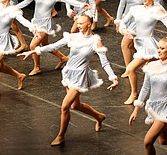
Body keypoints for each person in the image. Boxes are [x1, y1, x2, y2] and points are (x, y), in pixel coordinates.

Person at [17, 13, 118, 146]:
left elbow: (104, 62)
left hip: (81, 76)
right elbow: (54, 46)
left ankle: (60, 136)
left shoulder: (95, 41)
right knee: (75, 105)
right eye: (77, 23)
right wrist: (33, 51)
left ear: (89, 24)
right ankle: (99, 117)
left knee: (65, 106)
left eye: (81, 23)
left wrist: (113, 77)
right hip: (69, 73)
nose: (78, 25)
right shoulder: (72, 37)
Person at [17, 0, 90, 76]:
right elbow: (26, 2)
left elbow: (67, 0)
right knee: (45, 44)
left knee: (33, 45)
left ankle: (37, 67)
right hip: (36, 21)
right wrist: (13, 8)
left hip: (45, 24)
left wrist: (80, 4)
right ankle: (63, 58)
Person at [118, 0, 167, 105]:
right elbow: (123, 22)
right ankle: (137, 93)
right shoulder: (136, 9)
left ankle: (134, 93)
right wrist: (125, 31)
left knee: (130, 69)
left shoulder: (156, 10)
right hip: (139, 43)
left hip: (149, 45)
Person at [128, 37, 167, 154]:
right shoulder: (152, 65)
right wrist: (136, 109)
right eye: (158, 48)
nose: (159, 51)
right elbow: (145, 88)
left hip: (165, 109)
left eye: (162, 48)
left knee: (148, 142)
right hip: (154, 108)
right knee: (163, 141)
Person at [115, 0, 148, 78]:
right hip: (127, 20)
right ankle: (147, 58)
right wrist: (118, 20)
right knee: (133, 44)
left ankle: (129, 69)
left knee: (125, 45)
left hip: (137, 22)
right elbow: (122, 4)